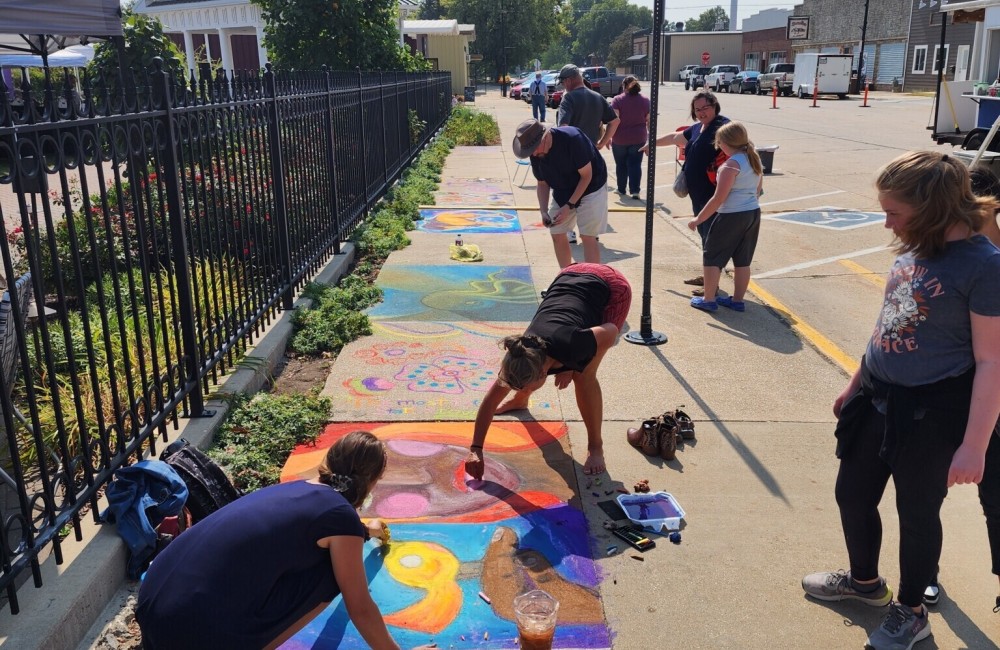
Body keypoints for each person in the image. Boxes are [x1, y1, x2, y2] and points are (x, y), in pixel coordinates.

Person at [801, 151, 1000, 650]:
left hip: (933, 412)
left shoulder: (984, 266)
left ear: (931, 207)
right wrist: (854, 384)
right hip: (876, 395)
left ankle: (911, 612)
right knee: (852, 493)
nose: (886, 221)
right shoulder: (916, 249)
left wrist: (975, 444)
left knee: (916, 512)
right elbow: (887, 325)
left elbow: (993, 361)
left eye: (894, 212)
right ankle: (865, 584)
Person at [136, 431, 437, 650]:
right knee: (334, 574)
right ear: (372, 481)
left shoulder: (301, 489)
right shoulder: (340, 517)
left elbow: (326, 522)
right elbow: (359, 606)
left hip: (153, 602)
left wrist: (366, 530)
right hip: (188, 632)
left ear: (329, 460)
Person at [464, 262, 631, 478]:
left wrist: (574, 363)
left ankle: (596, 447)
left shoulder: (574, 343)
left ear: (544, 374)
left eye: (521, 389)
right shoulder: (519, 351)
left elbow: (611, 332)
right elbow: (490, 400)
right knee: (529, 375)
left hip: (611, 285)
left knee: (585, 376)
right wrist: (476, 449)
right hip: (569, 275)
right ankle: (520, 401)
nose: (512, 387)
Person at [924, 164, 1000, 611]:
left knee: (997, 500)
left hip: (993, 399)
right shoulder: (939, 254)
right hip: (945, 393)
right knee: (927, 491)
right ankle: (925, 574)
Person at [641, 90, 730, 290]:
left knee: (712, 240)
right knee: (706, 238)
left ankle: (711, 287)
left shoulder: (723, 127)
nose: (701, 112)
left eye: (705, 108)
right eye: (697, 109)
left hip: (714, 196)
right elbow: (675, 138)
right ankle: (709, 277)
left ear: (714, 106)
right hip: (699, 196)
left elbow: (740, 150)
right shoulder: (698, 128)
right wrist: (651, 144)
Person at [686, 122, 762, 313]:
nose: (718, 146)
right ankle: (737, 300)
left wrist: (698, 219)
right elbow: (758, 190)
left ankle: (709, 299)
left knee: (712, 256)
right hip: (752, 213)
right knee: (742, 260)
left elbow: (719, 198)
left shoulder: (730, 166)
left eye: (718, 142)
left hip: (731, 215)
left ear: (726, 142)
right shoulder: (754, 159)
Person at [513, 118, 607, 268]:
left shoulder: (572, 139)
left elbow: (586, 176)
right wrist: (543, 211)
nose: (534, 153)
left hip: (591, 186)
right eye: (530, 151)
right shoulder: (535, 153)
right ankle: (566, 275)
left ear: (546, 136)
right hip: (563, 188)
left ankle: (592, 282)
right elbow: (542, 183)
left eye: (535, 148)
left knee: (587, 235)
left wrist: (569, 206)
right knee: (556, 231)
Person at [556, 64, 619, 246]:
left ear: (569, 80)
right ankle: (591, 233)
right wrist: (601, 142)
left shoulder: (568, 99)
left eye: (563, 82)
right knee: (589, 193)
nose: (563, 86)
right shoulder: (597, 97)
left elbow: (563, 127)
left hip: (572, 156)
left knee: (570, 193)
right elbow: (614, 121)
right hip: (592, 154)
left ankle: (569, 231)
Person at [609, 76, 650, 200]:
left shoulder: (617, 100)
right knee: (635, 164)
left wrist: (608, 136)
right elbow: (649, 121)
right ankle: (635, 190)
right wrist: (649, 140)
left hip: (620, 138)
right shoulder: (645, 100)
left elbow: (614, 120)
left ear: (624, 86)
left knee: (620, 164)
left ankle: (621, 189)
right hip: (638, 138)